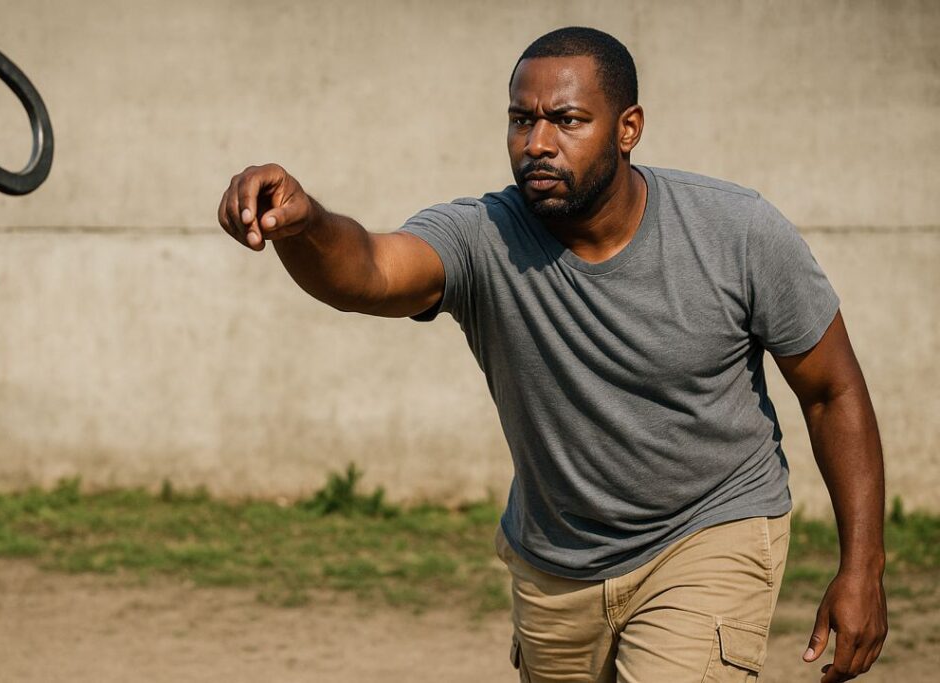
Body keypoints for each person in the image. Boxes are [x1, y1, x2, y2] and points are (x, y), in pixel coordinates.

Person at [217, 26, 887, 683]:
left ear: (628, 129)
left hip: (707, 533)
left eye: (565, 120)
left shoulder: (736, 233)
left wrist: (864, 566)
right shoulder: (486, 236)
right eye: (521, 120)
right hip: (555, 562)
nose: (537, 143)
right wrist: (303, 227)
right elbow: (368, 271)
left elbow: (833, 391)